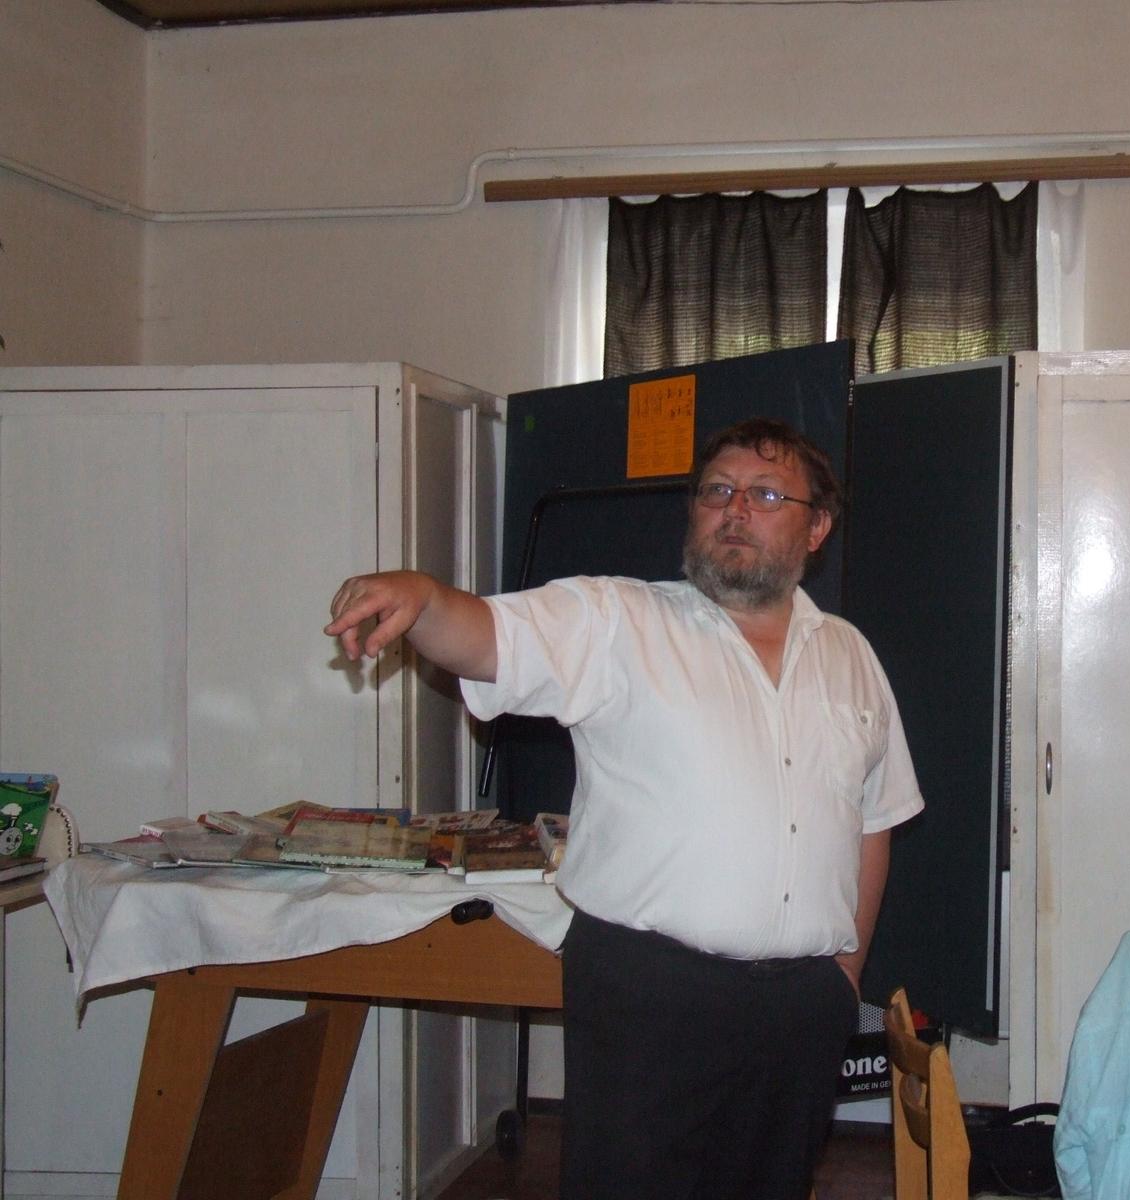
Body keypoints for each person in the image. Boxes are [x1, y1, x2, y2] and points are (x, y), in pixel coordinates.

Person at [324, 417, 923, 1200]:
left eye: (766, 494)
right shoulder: (619, 622)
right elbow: (490, 637)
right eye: (717, 491)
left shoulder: (850, 656)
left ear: (817, 528)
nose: (735, 509)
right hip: (649, 997)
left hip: (800, 1009)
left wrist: (844, 978)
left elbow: (873, 821)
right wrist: (424, 597)